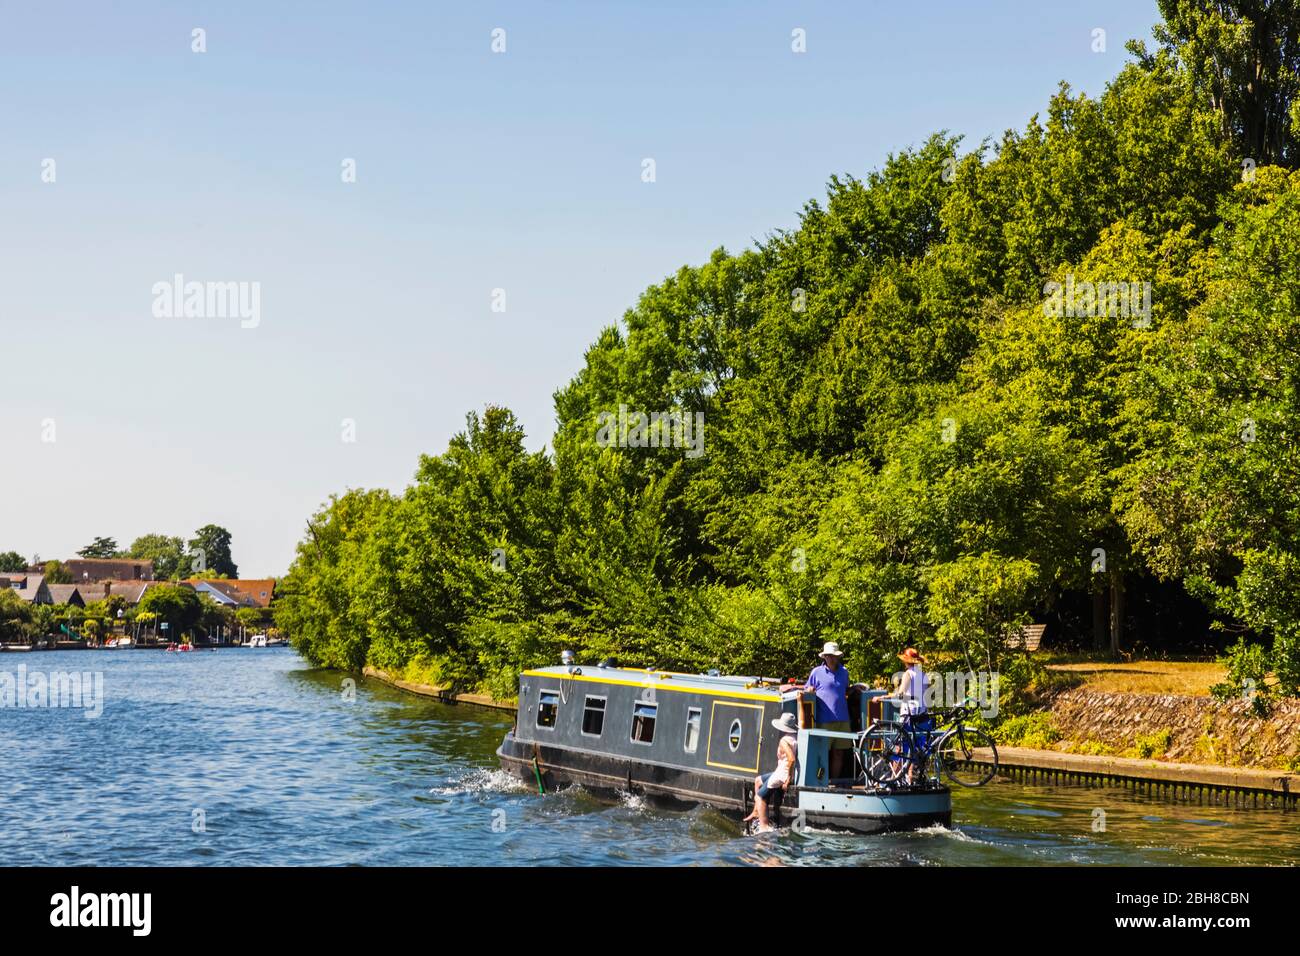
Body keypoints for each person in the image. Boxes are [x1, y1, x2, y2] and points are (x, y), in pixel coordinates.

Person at [800, 641, 852, 783]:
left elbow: (845, 690)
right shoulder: (816, 672)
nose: (830, 658)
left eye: (833, 655)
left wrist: (856, 690)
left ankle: (833, 781)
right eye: (828, 655)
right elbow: (806, 690)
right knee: (822, 753)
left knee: (839, 753)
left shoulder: (844, 672)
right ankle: (822, 781)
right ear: (824, 657)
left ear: (837, 657)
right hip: (824, 719)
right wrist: (809, 690)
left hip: (842, 718)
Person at [744, 713, 799, 832]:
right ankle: (756, 811)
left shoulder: (784, 741)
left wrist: (788, 779)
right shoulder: (795, 738)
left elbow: (791, 758)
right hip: (780, 771)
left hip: (782, 774)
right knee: (758, 781)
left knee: (759, 796)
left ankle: (764, 826)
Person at [892, 647, 929, 785]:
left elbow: (900, 693)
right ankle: (911, 777)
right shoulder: (924, 675)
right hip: (922, 714)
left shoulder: (908, 674)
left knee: (901, 746)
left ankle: (895, 777)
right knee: (916, 747)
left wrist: (891, 694)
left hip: (909, 713)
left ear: (906, 661)